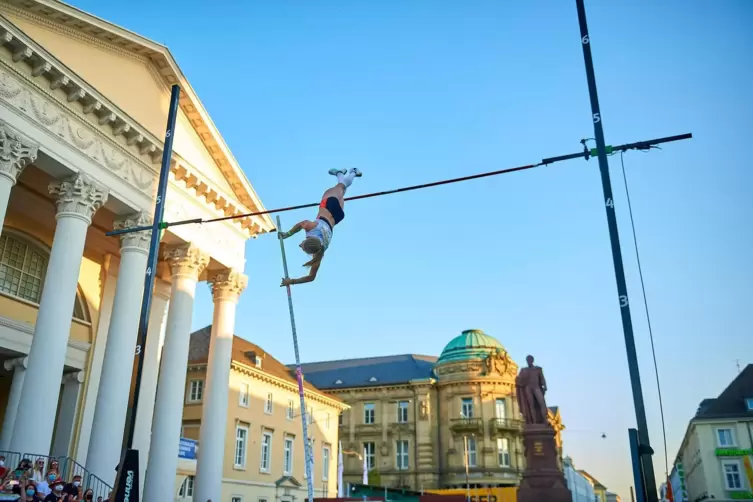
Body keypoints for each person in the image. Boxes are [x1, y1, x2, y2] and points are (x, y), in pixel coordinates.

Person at [279, 168, 362, 286]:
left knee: (342, 189)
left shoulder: (319, 251)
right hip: (329, 204)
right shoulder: (311, 229)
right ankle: (348, 172)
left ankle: (346, 174)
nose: (300, 245)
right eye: (302, 245)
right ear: (308, 240)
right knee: (341, 186)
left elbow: (311, 277)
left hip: (337, 217)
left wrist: (291, 281)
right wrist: (287, 234)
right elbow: (301, 224)